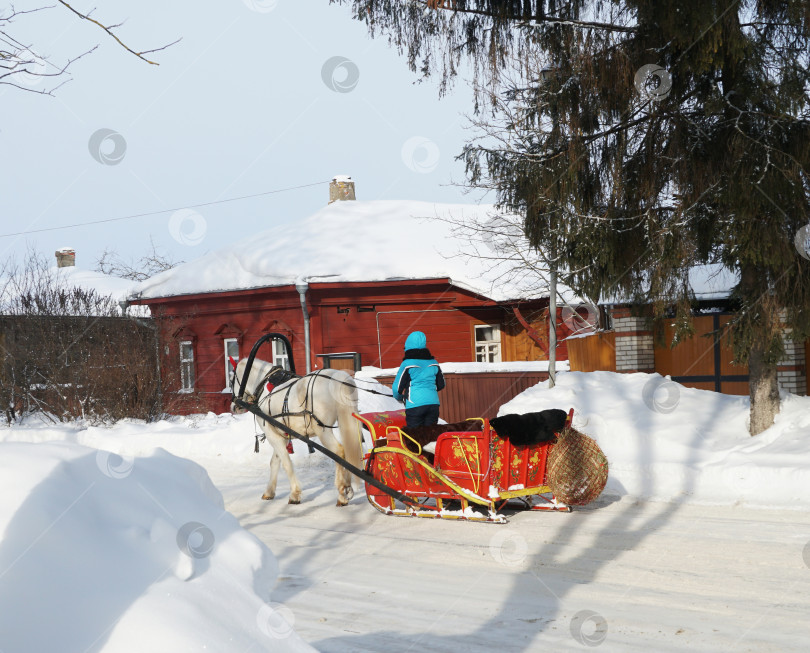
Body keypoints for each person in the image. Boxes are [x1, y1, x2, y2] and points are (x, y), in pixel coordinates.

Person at [392, 330, 445, 429]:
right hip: (433, 404)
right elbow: (441, 385)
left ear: (408, 347)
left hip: (414, 405)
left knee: (414, 435)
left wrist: (401, 397)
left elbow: (397, 389)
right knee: (430, 435)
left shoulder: (407, 364)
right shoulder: (434, 363)